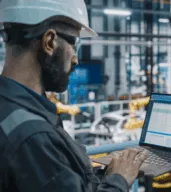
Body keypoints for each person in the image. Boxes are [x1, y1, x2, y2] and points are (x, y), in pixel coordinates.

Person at [0, 0, 148, 191]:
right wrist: (120, 179)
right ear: (50, 42)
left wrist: (107, 176)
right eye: (74, 44)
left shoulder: (12, 108)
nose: (76, 59)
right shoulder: (34, 136)